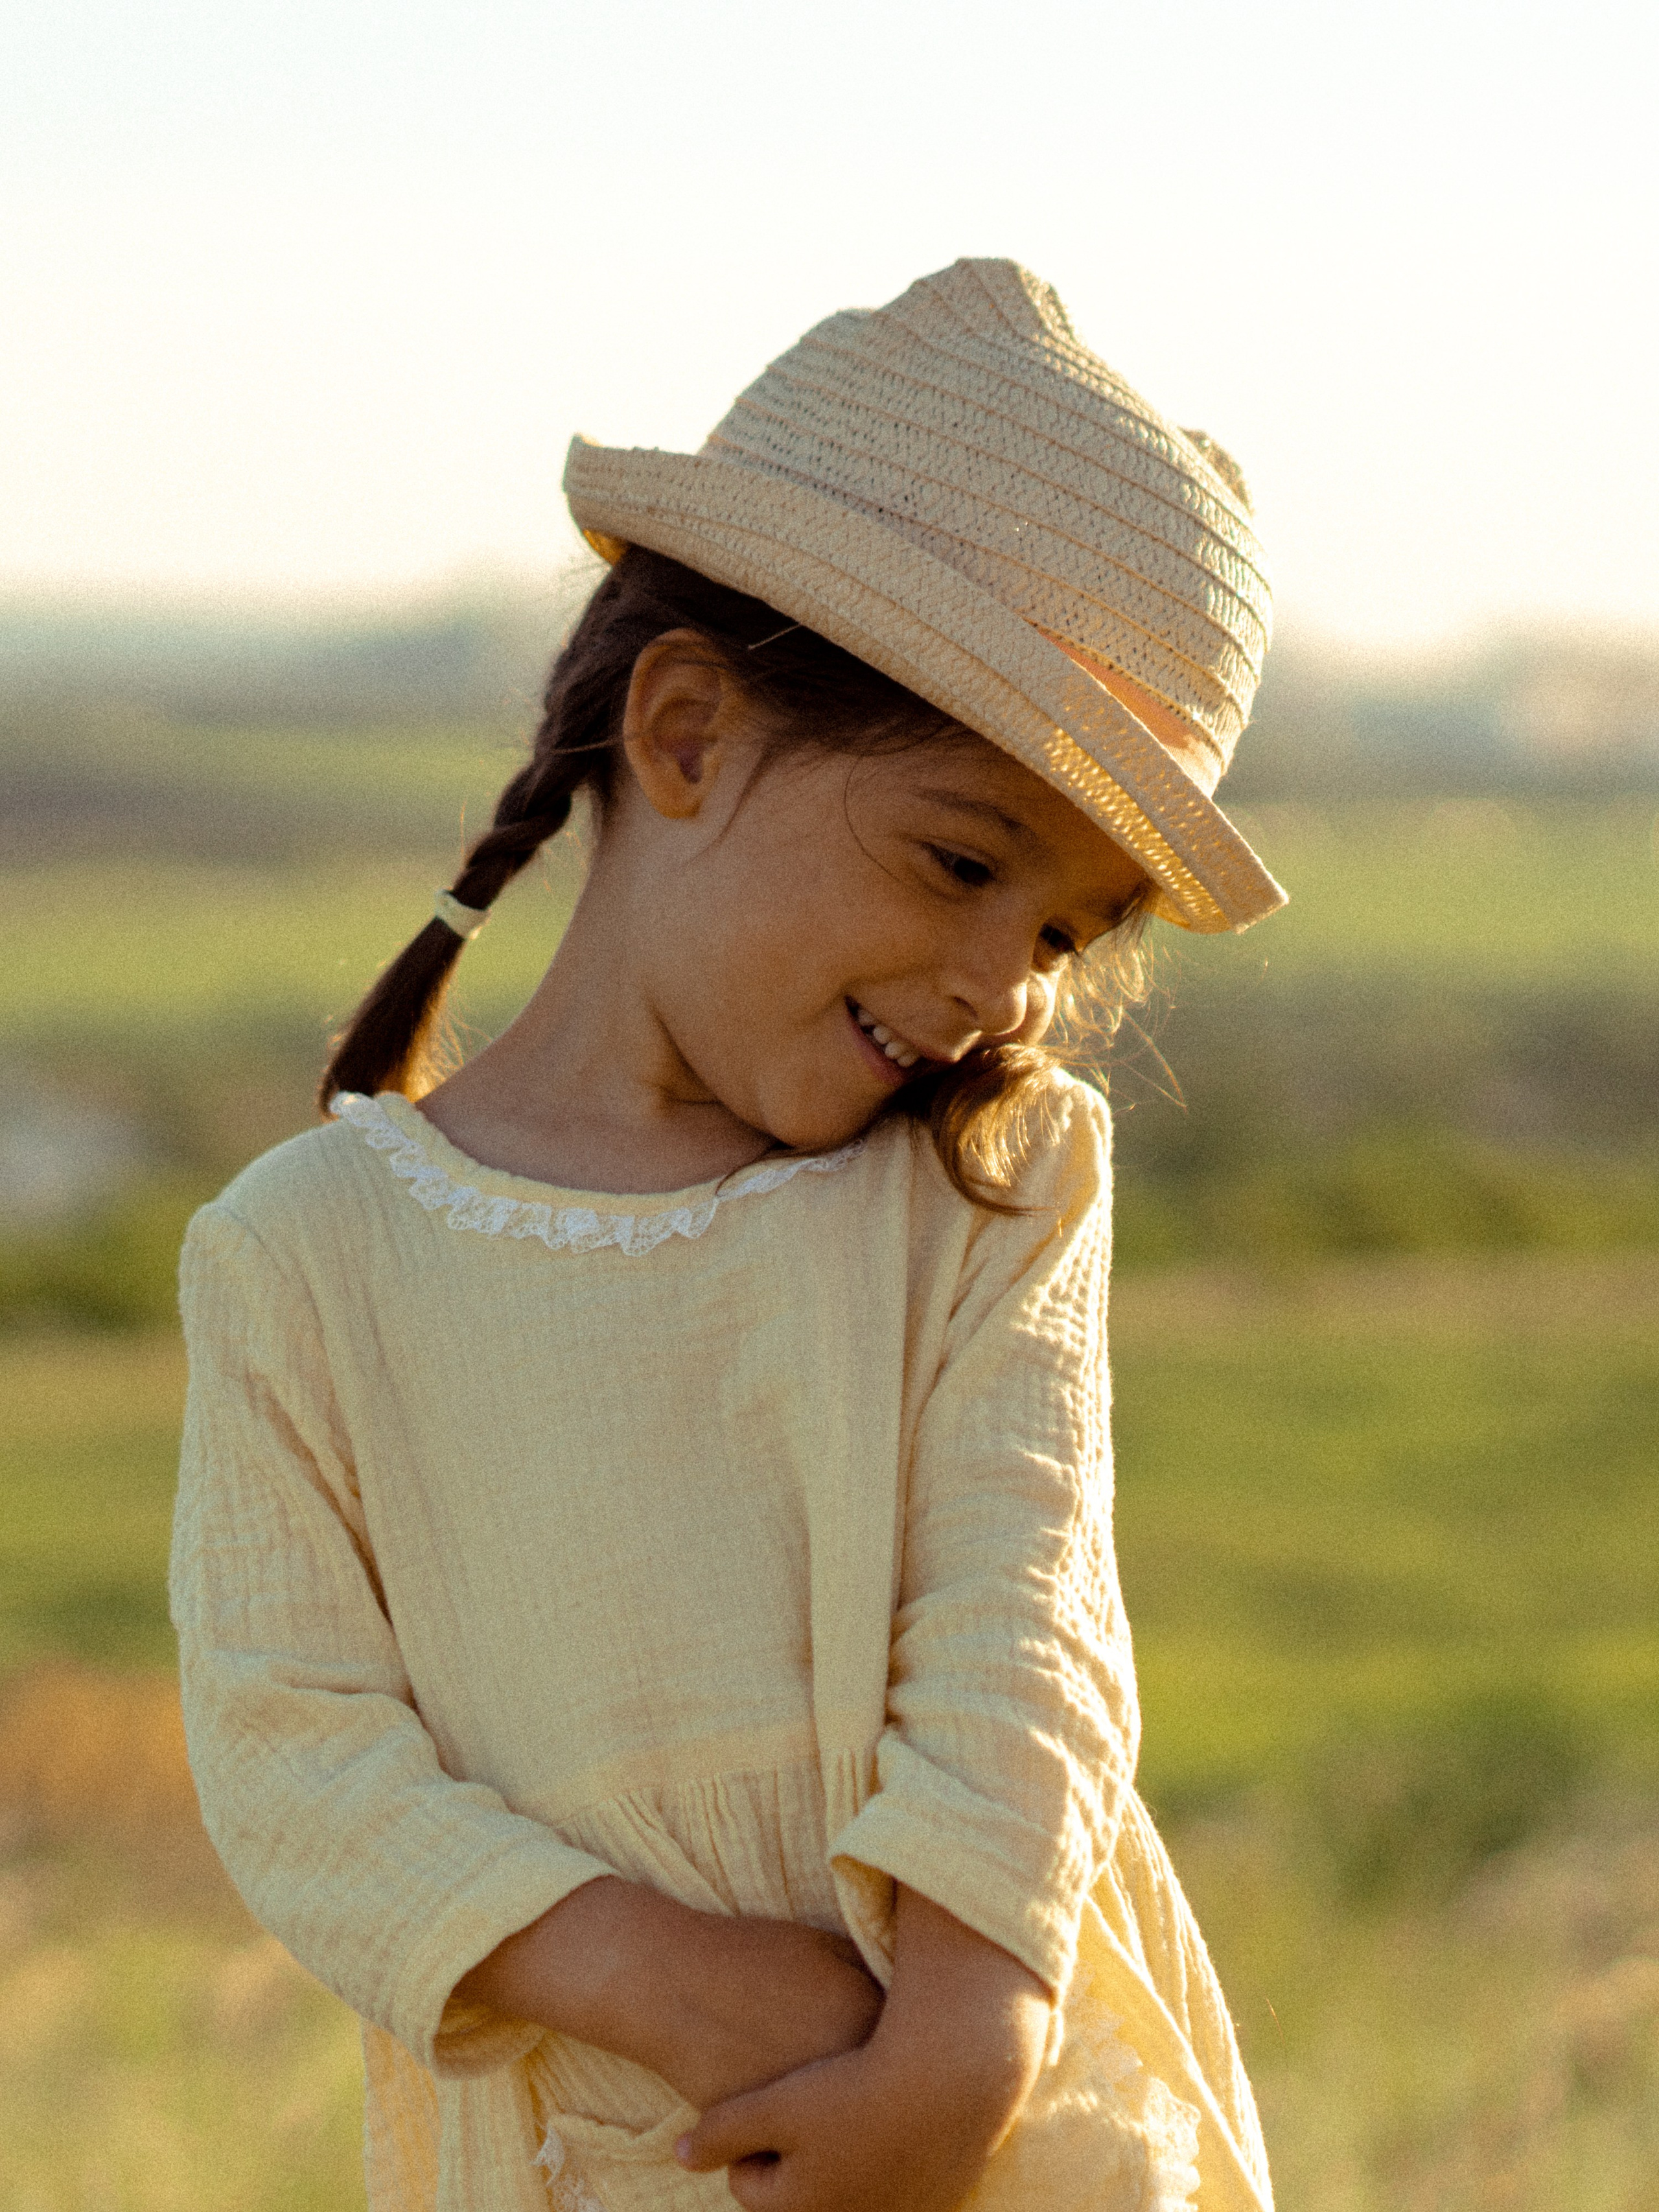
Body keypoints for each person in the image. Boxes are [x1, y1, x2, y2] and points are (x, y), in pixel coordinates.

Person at [171, 257, 1285, 2212]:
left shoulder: (985, 1194)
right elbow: (294, 1753)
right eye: (962, 861)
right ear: (684, 736)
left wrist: (960, 2032)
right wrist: (662, 1981)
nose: (1003, 987)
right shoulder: (311, 1256)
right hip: (591, 2142)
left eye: (1059, 933)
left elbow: (1024, 1630)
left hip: (994, 2125)